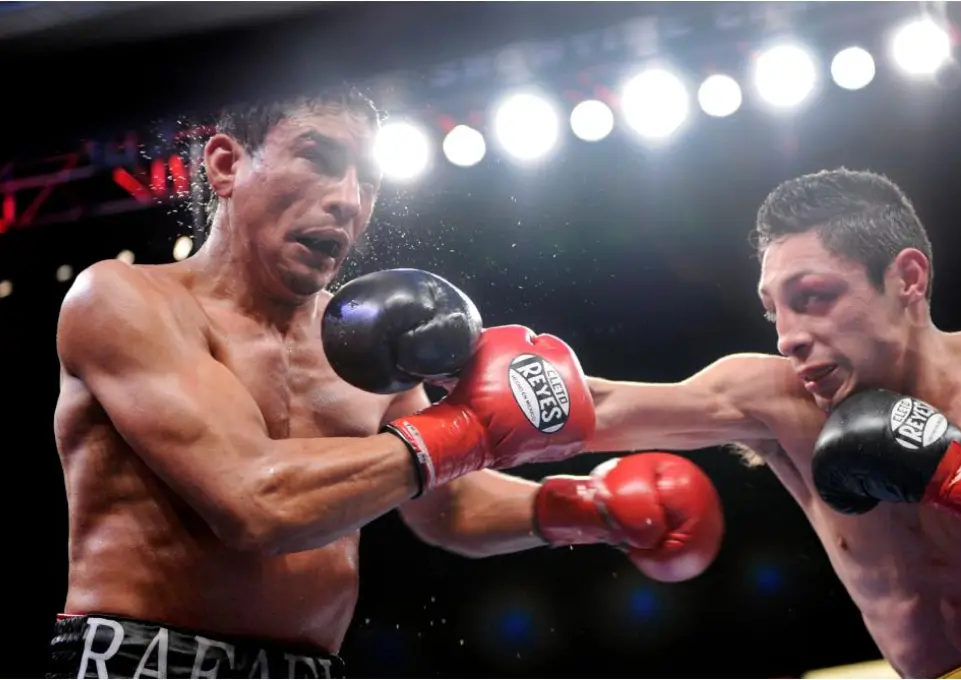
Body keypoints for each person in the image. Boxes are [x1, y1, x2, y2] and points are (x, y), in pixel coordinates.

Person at [47, 86, 724, 679]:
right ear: (226, 164)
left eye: (368, 181)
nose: (347, 200)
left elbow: (447, 506)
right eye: (319, 157)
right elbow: (255, 502)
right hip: (143, 661)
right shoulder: (124, 300)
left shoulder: (363, 340)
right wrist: (467, 428)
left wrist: (585, 508)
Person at [582, 169, 961, 678]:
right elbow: (596, 409)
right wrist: (495, 377)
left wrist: (957, 478)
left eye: (812, 296)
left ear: (908, 278)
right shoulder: (776, 402)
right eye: (774, 311)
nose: (788, 336)